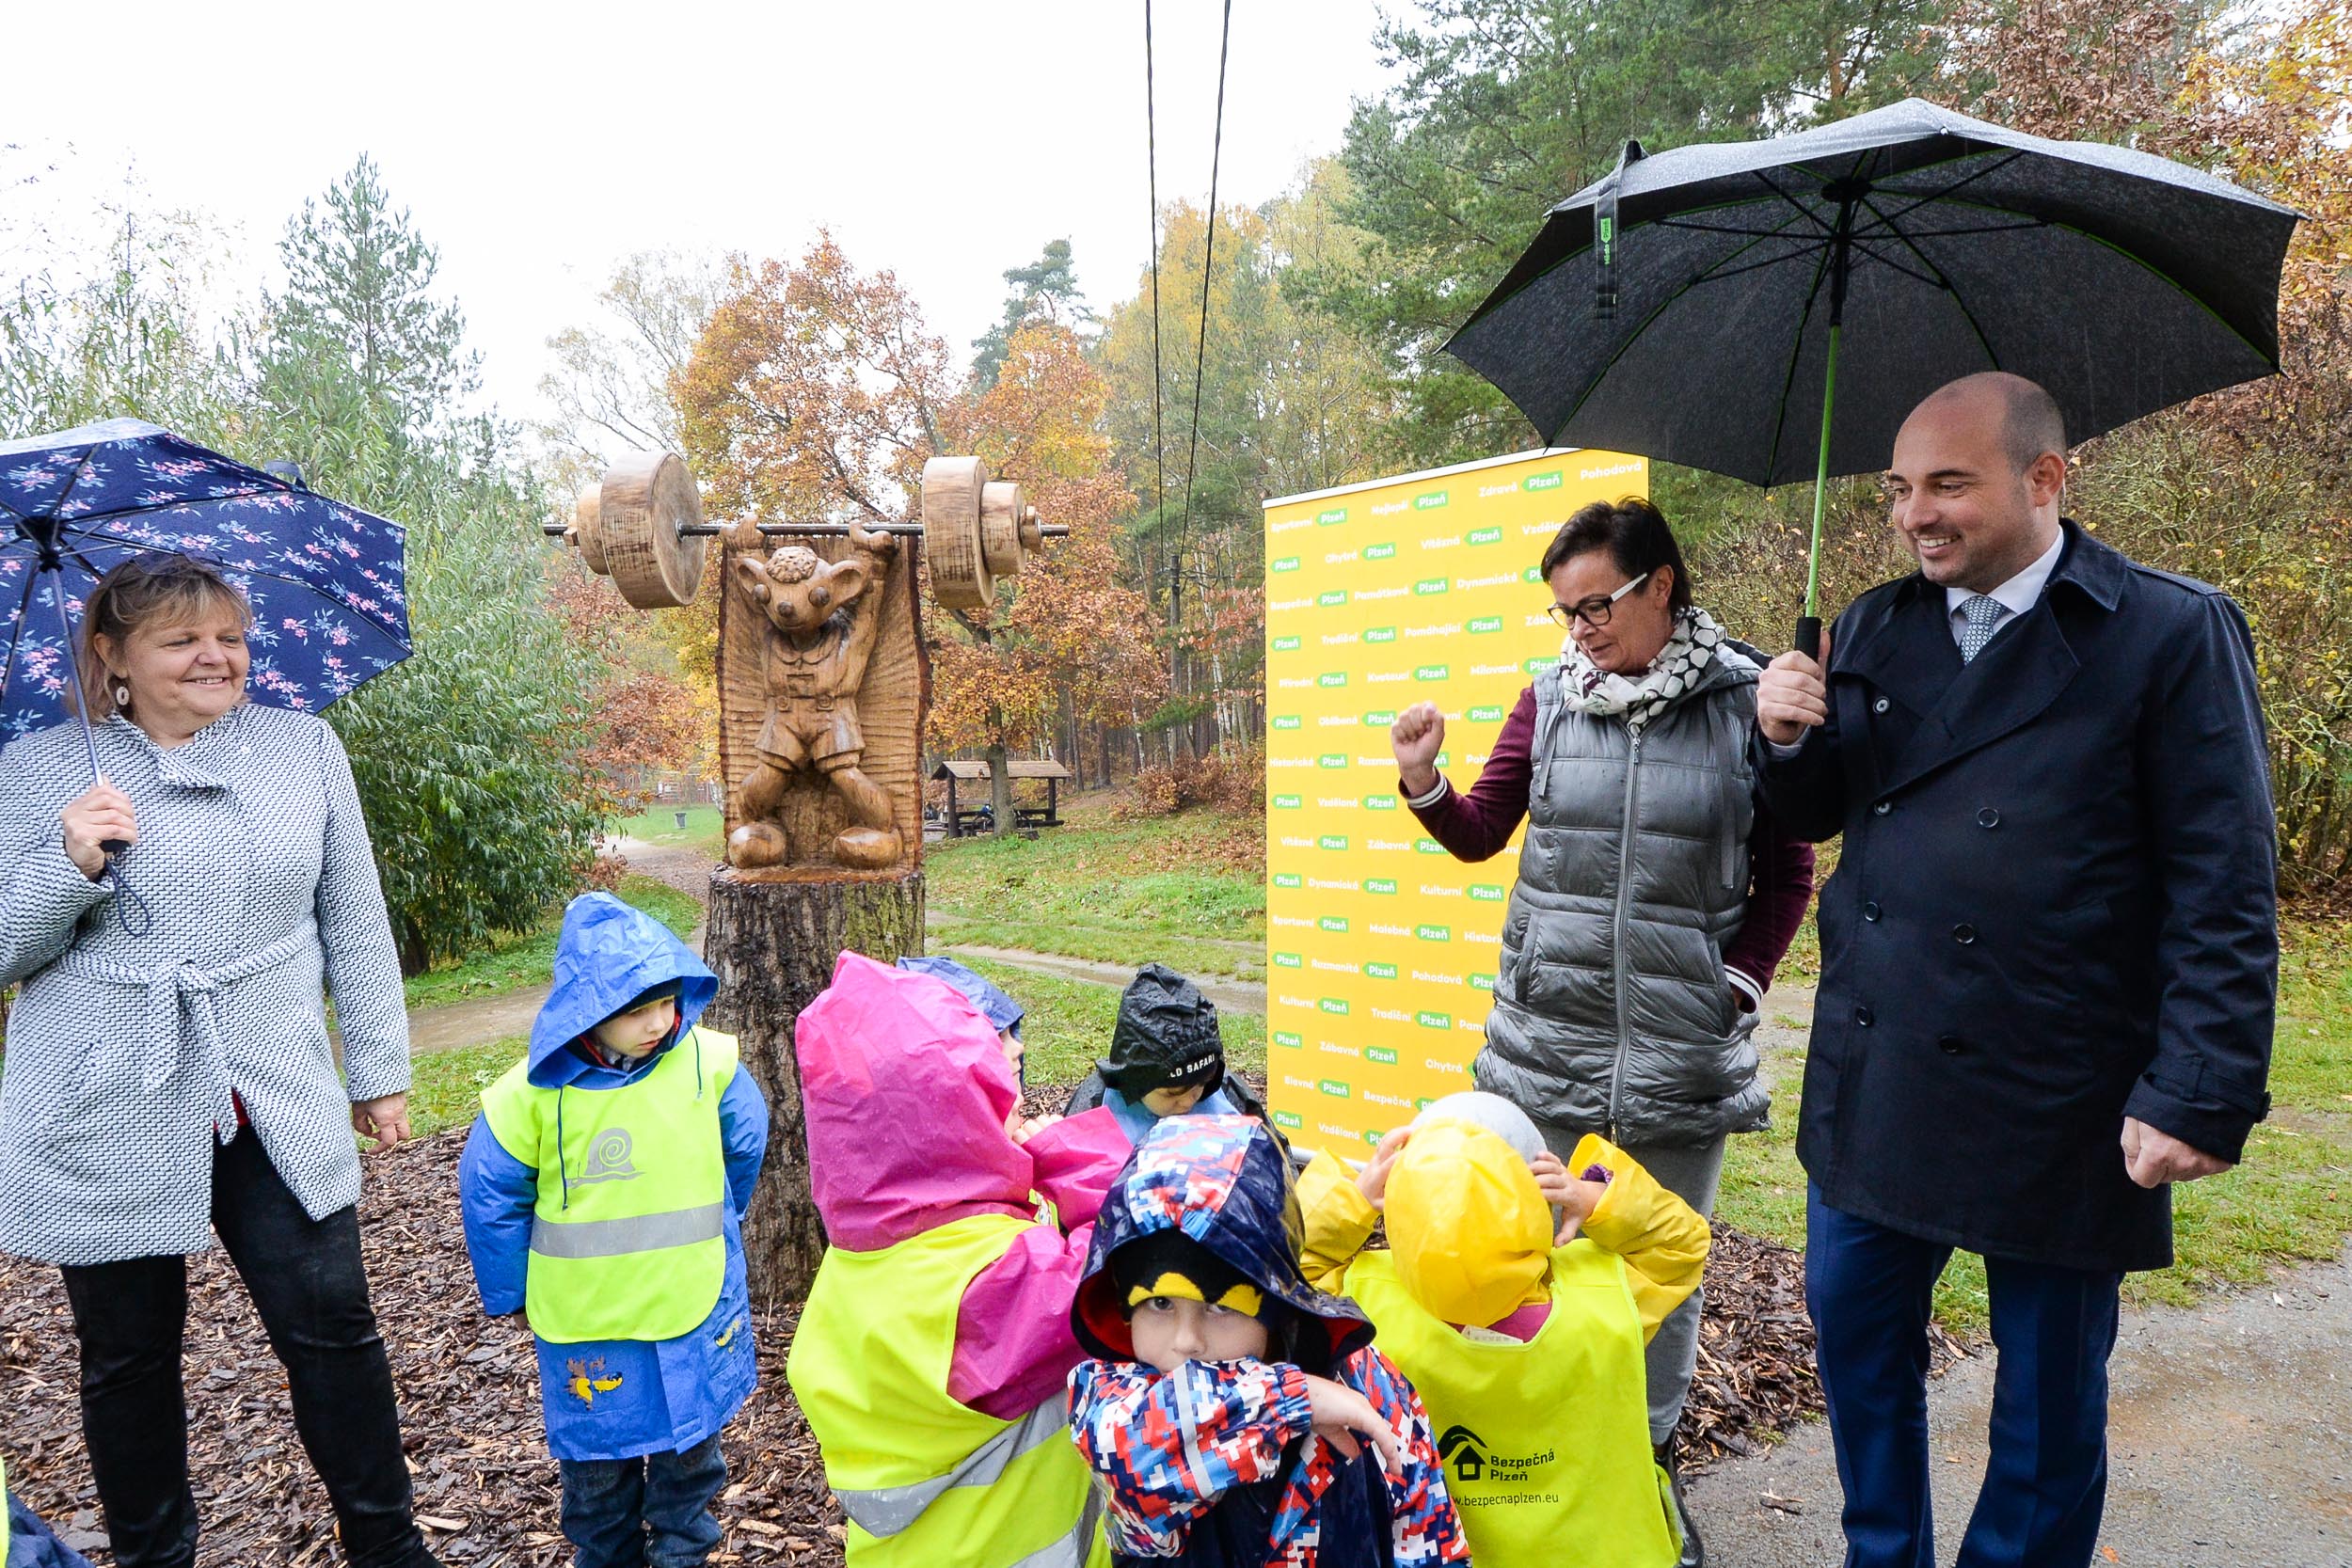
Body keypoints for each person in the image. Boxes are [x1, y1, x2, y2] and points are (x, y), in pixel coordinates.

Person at [1753, 372, 2278, 1568]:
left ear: (2046, 480)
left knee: (2044, 1403)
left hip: (2059, 1082)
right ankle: (1881, 1552)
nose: (1913, 515)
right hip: (1880, 1069)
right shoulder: (1878, 621)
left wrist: (2197, 1084)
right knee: (1856, 1341)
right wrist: (1783, 740)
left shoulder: (2167, 627)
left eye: (1947, 484)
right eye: (1897, 488)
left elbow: (2224, 878)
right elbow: (1824, 809)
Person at [1389, 495, 1814, 1548]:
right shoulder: (1548, 699)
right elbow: (1481, 831)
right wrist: (1422, 779)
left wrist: (1738, 985)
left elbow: (1788, 863)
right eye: (1563, 612)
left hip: (1678, 1052)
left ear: (1659, 584)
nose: (1577, 629)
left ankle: (1649, 1468)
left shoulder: (1748, 701)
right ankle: (1535, 1483)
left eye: (1594, 605)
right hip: (1546, 1044)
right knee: (1527, 1257)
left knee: (1655, 1274)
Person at [0, 553, 440, 1568]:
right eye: (181, 638)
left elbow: (356, 919)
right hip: (105, 1090)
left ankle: (388, 1544)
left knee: (332, 1323)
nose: (217, 655)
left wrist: (378, 1070)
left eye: (230, 635)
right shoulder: (38, 768)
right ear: (110, 655)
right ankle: (156, 1556)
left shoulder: (303, 747)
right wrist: (65, 862)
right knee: (126, 1355)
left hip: (270, 1078)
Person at [786, 951, 1133, 1566]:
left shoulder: (869, 1252)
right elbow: (1128, 1253)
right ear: (944, 1127)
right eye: (993, 1093)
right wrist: (1064, 1153)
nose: (1014, 1090)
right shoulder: (989, 1283)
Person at [458, 892, 769, 1568]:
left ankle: (680, 1556)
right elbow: (491, 1193)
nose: (660, 1022)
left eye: (668, 1002)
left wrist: (722, 1221)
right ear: (589, 1010)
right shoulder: (532, 1095)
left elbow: (744, 1140)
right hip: (589, 1324)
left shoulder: (706, 1062)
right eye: (637, 1009)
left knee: (690, 1466)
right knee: (598, 1475)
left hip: (688, 1301)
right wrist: (510, 1292)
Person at [1297, 1091, 1709, 1568]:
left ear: (1402, 1206)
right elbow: (1682, 1243)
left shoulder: (1364, 1315)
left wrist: (1353, 1199)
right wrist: (1593, 1196)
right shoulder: (1607, 1300)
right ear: (1536, 1203)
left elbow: (1288, 1266)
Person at [1066, 1114, 1468, 1567]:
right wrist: (1292, 1399)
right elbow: (1131, 1460)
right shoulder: (1111, 1395)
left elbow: (1429, 1537)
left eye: (1221, 1308)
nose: (1186, 1340)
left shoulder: (1374, 1388)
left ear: (1276, 1305)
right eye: (1159, 1305)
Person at [1062, 964, 1277, 1146]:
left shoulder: (1227, 1093)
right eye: (1172, 1093)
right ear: (1136, 1081)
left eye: (1201, 1085)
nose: (1187, 1103)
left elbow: (1273, 1164)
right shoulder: (1096, 1104)